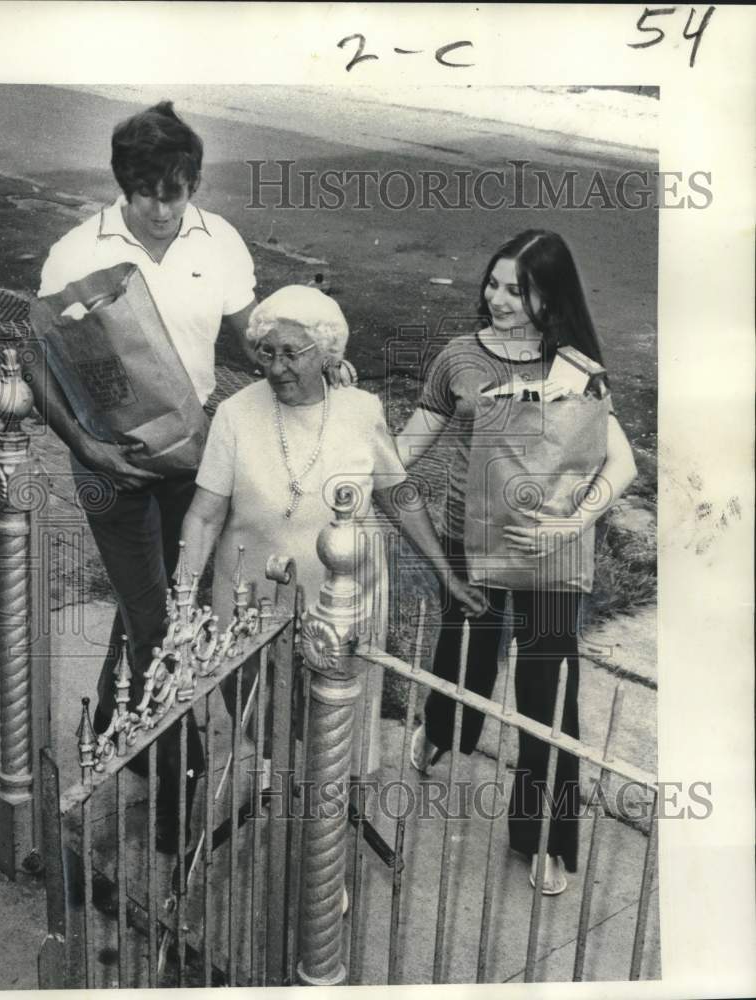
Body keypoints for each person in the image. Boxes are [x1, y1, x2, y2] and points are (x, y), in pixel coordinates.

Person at [27, 101, 258, 853]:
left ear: (192, 183)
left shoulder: (216, 239)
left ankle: (108, 717)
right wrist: (85, 449)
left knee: (166, 600)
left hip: (188, 455)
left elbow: (245, 334)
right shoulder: (74, 252)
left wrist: (306, 360)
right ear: (122, 185)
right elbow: (38, 361)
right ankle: (173, 790)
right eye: (147, 192)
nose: (163, 208)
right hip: (107, 465)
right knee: (158, 620)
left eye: (177, 190)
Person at [396, 229, 637, 894]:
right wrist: (359, 459)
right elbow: (410, 441)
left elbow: (622, 464)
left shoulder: (575, 369)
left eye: (517, 289)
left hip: (548, 553)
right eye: (493, 285)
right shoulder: (459, 357)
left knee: (545, 694)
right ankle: (445, 728)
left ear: (548, 296)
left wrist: (571, 522)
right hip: (465, 540)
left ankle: (542, 837)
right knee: (463, 650)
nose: (498, 299)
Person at [177, 285, 486, 779]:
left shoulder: (361, 411)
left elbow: (399, 497)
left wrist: (446, 575)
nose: (276, 368)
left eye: (292, 354)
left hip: (343, 603)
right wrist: (183, 600)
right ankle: (283, 807)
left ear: (326, 353)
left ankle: (325, 816)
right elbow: (204, 515)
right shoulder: (235, 414)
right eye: (267, 352)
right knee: (267, 728)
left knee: (335, 731)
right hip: (253, 601)